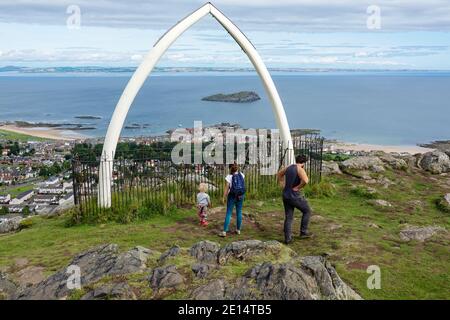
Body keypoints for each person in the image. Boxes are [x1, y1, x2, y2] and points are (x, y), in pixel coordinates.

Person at [277, 154, 313, 244]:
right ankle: (303, 232)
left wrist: (282, 184)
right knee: (307, 211)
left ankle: (288, 239)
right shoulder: (300, 169)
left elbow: (279, 174)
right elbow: (305, 180)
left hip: (286, 195)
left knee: (289, 217)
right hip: (294, 195)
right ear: (304, 163)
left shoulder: (289, 167)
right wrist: (298, 187)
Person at [219, 163, 245, 237]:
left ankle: (224, 231)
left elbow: (227, 188)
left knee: (229, 213)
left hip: (232, 196)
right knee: (239, 212)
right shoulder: (242, 175)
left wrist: (223, 197)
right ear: (237, 168)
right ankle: (238, 230)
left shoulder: (229, 177)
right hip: (240, 195)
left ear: (230, 168)